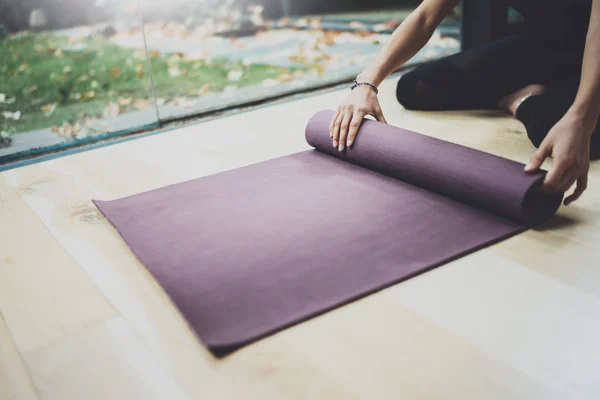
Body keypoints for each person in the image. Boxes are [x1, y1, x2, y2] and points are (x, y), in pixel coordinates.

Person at [330, 0, 600, 205]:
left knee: (556, 128)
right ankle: (539, 91)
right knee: (416, 88)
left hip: (594, 52)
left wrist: (580, 117)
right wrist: (367, 83)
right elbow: (425, 17)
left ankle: (522, 101)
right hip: (543, 48)